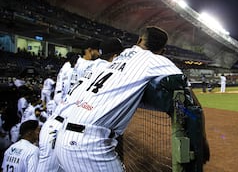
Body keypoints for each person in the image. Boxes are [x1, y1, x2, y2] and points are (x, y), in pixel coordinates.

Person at [54, 26, 182, 172]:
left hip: (63, 135)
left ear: (139, 40)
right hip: (88, 146)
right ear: (163, 51)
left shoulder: (117, 57)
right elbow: (183, 86)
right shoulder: (155, 60)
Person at [36, 37, 124, 172]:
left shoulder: (73, 65)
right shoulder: (94, 66)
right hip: (59, 125)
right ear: (90, 50)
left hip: (59, 117)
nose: (98, 54)